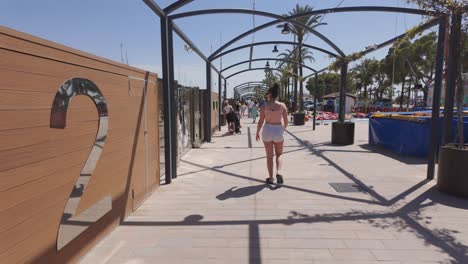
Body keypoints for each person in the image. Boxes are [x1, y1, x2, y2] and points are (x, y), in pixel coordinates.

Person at [256, 84, 288, 184]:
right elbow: (286, 121)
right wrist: (282, 129)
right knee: (279, 154)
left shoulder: (264, 106)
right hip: (278, 129)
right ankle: (278, 172)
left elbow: (261, 121)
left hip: (267, 130)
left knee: (269, 156)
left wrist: (257, 132)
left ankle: (270, 178)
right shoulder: (282, 106)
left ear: (270, 94)